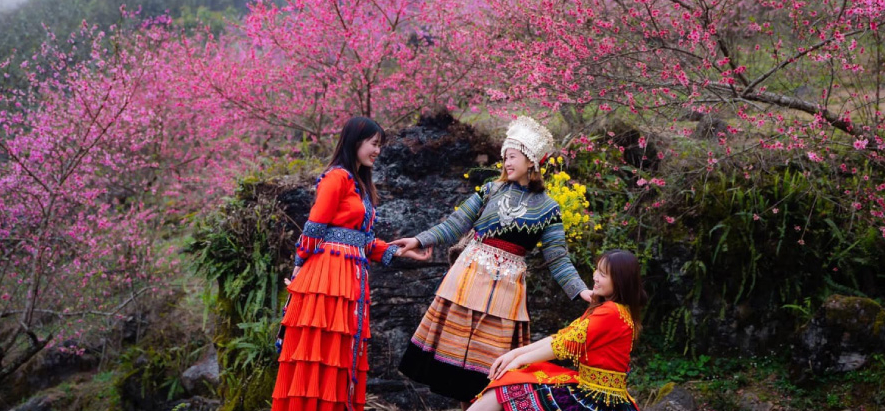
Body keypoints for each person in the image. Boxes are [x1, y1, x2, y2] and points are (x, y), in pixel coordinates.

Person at [393, 116, 593, 403]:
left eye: (511, 157)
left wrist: (581, 290)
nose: (506, 164)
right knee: (454, 369)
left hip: (505, 295)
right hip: (467, 282)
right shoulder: (491, 190)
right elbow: (456, 223)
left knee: (489, 374)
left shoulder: (549, 209)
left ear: (530, 160)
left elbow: (558, 259)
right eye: (504, 158)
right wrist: (419, 239)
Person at [271, 116, 430, 411]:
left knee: (341, 354)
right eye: (373, 144)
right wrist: (298, 269)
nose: (377, 151)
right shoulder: (337, 178)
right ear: (355, 142)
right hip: (327, 278)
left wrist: (400, 251)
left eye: (379, 145)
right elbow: (314, 228)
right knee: (321, 353)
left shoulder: (359, 185)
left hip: (349, 277)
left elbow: (361, 240)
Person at [467, 249, 646, 411]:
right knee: (516, 378)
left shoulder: (611, 312)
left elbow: (563, 345)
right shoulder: (610, 309)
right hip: (595, 390)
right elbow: (562, 337)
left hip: (598, 399)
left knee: (511, 383)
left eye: (603, 274)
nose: (595, 277)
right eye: (597, 270)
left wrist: (517, 360)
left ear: (620, 281)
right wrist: (514, 355)